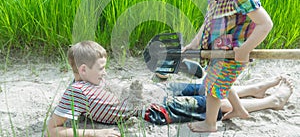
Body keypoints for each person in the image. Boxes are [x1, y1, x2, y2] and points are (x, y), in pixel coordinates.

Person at [46, 41, 293, 136]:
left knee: (205, 86)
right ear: (83, 70)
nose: (104, 72)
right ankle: (272, 102)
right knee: (216, 104)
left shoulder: (94, 80)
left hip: (157, 92)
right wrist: (96, 134)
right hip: (155, 107)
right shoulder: (76, 92)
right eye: (100, 68)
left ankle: (254, 87)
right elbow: (52, 130)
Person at [182, 0, 274, 133]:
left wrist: (245, 49)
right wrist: (194, 43)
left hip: (233, 53)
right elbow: (207, 22)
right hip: (217, 51)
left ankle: (210, 124)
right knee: (219, 81)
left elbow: (265, 24)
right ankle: (239, 110)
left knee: (213, 87)